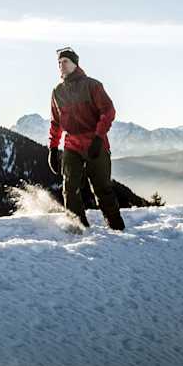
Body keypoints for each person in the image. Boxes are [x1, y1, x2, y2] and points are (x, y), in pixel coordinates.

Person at [47, 47, 125, 231]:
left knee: (102, 189)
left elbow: (108, 111)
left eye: (65, 61)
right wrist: (52, 148)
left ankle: (117, 229)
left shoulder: (92, 86)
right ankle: (78, 229)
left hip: (95, 143)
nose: (61, 66)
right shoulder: (57, 91)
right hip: (71, 145)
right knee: (69, 189)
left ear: (75, 64)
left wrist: (98, 138)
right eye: (59, 63)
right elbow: (55, 122)